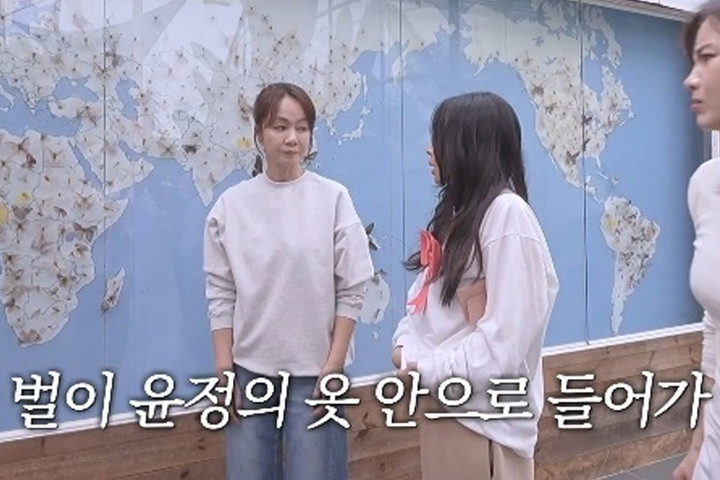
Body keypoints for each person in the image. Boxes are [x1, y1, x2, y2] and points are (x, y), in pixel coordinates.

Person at [203, 82, 374, 480]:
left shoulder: (333, 198)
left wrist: (333, 366)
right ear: (259, 133)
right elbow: (221, 293)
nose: (292, 138)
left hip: (315, 374)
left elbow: (352, 287)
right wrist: (224, 370)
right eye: (280, 127)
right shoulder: (230, 206)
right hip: (249, 373)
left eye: (302, 127)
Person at [391, 91, 559, 479]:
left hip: (484, 425)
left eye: (440, 138)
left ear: (470, 146)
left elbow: (504, 346)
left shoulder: (507, 217)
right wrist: (405, 348)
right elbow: (423, 306)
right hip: (448, 406)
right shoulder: (461, 218)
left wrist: (421, 366)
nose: (429, 149)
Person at [674, 2, 720, 479]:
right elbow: (715, 327)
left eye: (707, 57)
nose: (691, 78)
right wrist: (698, 445)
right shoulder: (705, 186)